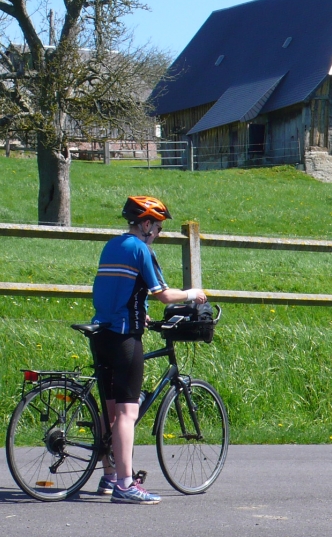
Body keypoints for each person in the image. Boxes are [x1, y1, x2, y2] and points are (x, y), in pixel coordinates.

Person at [91, 196, 207, 504]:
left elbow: (117, 288)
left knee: (111, 410)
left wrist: (138, 310)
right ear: (145, 224)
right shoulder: (141, 250)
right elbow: (164, 294)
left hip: (100, 332)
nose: (157, 234)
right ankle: (126, 485)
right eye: (157, 228)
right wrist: (192, 293)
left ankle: (109, 475)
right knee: (128, 413)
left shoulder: (112, 245)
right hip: (124, 336)